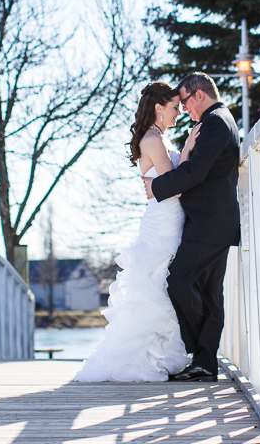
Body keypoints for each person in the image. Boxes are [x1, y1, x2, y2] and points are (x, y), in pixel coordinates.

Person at [74, 81, 201, 382]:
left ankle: (163, 355)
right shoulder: (152, 139)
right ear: (158, 108)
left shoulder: (159, 138)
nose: (177, 113)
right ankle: (141, 359)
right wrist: (187, 150)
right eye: (173, 108)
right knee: (157, 288)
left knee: (165, 288)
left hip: (169, 220)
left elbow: (165, 184)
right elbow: (173, 188)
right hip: (162, 224)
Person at [143, 73, 240, 383]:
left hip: (208, 223)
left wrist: (157, 186)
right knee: (210, 294)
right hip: (215, 222)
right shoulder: (221, 119)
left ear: (199, 95)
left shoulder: (215, 122)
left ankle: (200, 355)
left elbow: (195, 173)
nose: (183, 109)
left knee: (179, 281)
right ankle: (204, 363)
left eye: (184, 101)